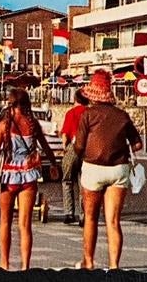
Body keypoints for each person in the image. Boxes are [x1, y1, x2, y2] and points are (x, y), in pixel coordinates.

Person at [73, 69, 143, 270]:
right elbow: (137, 144)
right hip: (118, 170)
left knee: (91, 218)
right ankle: (114, 266)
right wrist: (119, 146)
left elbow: (79, 146)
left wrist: (80, 151)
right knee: (113, 221)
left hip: (93, 169)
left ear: (92, 94)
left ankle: (88, 262)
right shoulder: (122, 115)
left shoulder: (87, 115)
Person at [0, 88, 59, 271]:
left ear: (10, 104)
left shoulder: (3, 125)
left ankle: (5, 263)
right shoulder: (33, 124)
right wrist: (53, 165)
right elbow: (46, 148)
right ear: (27, 104)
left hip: (8, 176)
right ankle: (25, 266)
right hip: (29, 176)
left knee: (5, 222)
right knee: (25, 225)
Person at [60, 90, 90, 226]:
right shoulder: (90, 113)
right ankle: (83, 216)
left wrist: (65, 148)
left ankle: (69, 213)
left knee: (67, 180)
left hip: (73, 147)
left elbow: (65, 134)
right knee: (84, 183)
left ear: (75, 99)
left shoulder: (71, 113)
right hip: (87, 149)